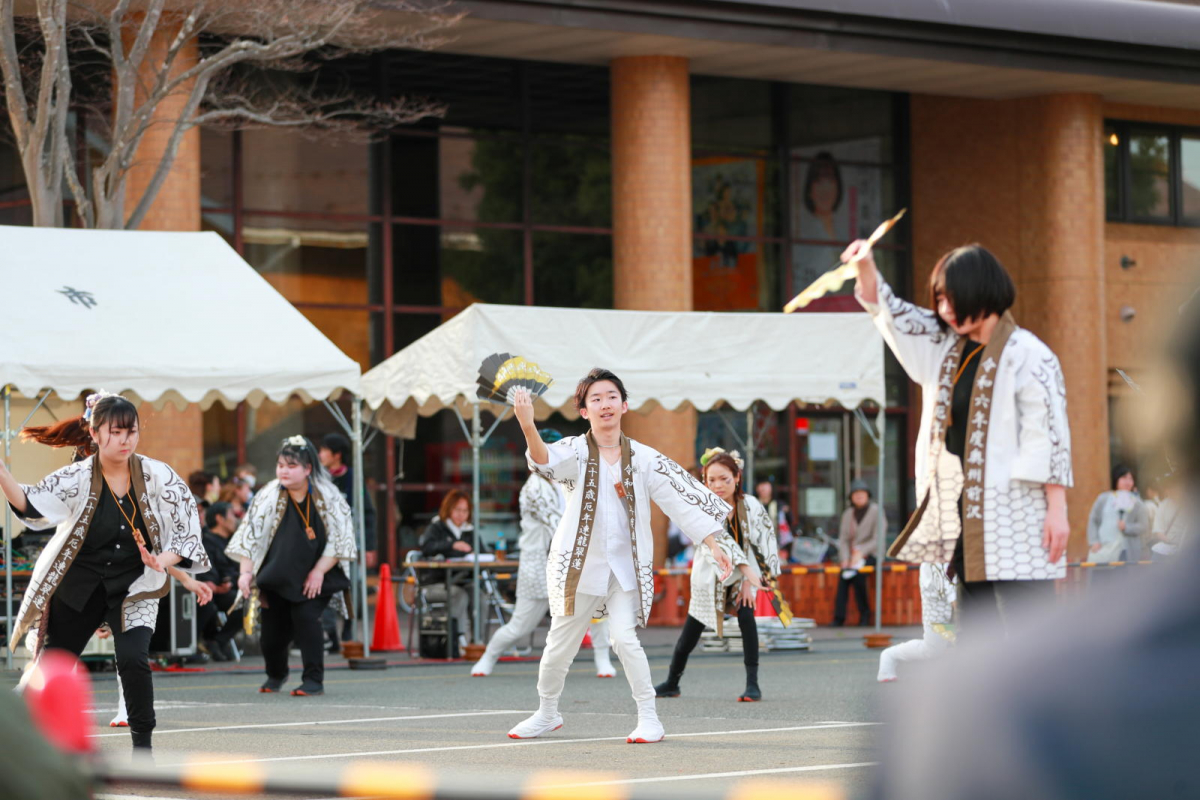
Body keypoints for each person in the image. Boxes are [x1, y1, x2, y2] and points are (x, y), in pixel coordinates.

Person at [850, 240, 1072, 635]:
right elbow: (892, 313)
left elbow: (1048, 434)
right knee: (975, 638)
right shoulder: (943, 345)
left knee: (1030, 636)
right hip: (963, 518)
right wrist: (865, 265)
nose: (944, 310)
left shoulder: (1030, 355)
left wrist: (1057, 509)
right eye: (939, 300)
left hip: (1018, 515)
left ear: (982, 292)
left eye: (952, 299)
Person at [506, 369, 735, 744]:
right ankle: (547, 713)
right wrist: (528, 425)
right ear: (584, 411)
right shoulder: (575, 452)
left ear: (624, 405)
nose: (605, 404)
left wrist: (713, 543)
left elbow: (679, 500)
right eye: (595, 399)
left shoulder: (644, 458)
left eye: (611, 396)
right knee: (558, 646)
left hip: (625, 568)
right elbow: (543, 459)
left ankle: (649, 717)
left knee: (624, 639)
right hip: (579, 565)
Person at [0, 392, 209, 753]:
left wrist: (165, 560)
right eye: (116, 432)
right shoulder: (77, 476)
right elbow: (31, 504)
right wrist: (3, 474)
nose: (125, 439)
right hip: (79, 585)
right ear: (94, 434)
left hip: (136, 584)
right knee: (52, 666)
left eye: (132, 431)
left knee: (133, 658)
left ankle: (142, 751)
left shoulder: (160, 476)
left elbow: (186, 528)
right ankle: (32, 750)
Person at [471, 428, 615, 679]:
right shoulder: (534, 488)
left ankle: (602, 659)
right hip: (538, 563)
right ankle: (489, 656)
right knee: (521, 624)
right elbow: (558, 523)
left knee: (596, 605)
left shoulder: (566, 482)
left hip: (571, 559)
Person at [228, 435, 357, 696]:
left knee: (307, 618)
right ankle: (276, 674)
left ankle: (313, 680)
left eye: (291, 466)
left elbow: (342, 539)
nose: (283, 471)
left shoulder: (329, 496)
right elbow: (249, 536)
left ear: (308, 468)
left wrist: (319, 571)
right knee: (272, 634)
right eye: (280, 465)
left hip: (318, 573)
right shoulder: (267, 495)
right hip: (277, 574)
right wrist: (245, 573)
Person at [654, 447, 774, 702]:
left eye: (725, 479)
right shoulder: (701, 508)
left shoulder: (751, 505)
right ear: (704, 481)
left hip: (744, 578)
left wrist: (747, 583)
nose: (718, 486)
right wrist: (744, 571)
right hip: (710, 577)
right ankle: (672, 682)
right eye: (711, 480)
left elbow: (761, 543)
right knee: (691, 631)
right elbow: (712, 548)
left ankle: (753, 684)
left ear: (737, 477)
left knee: (747, 620)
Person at [418, 489, 478, 651]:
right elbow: (426, 547)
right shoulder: (437, 526)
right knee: (459, 594)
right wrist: (451, 545)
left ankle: (478, 641)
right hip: (435, 583)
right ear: (449, 509)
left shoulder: (469, 530)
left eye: (465, 511)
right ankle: (455, 640)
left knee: (479, 594)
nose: (461, 515)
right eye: (457, 510)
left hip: (463, 580)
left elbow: (482, 551)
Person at [877, 562, 955, 682]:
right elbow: (947, 588)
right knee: (932, 650)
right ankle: (890, 655)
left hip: (954, 611)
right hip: (938, 613)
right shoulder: (933, 562)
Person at [195, 501, 244, 661]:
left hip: (228, 590)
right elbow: (207, 573)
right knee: (209, 606)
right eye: (231, 514)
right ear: (220, 519)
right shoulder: (207, 541)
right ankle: (207, 643)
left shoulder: (233, 542)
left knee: (247, 604)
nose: (235, 519)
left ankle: (218, 642)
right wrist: (217, 585)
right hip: (208, 590)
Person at [833, 479, 886, 627]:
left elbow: (878, 538)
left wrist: (861, 552)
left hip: (871, 554)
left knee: (859, 577)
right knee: (843, 579)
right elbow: (843, 539)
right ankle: (839, 617)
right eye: (855, 494)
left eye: (862, 493)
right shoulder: (848, 514)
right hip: (851, 557)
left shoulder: (876, 511)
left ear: (868, 495)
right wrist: (844, 558)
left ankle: (865, 615)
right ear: (851, 497)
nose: (859, 496)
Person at [1086, 464, 1149, 564]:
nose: (1128, 482)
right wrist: (1094, 541)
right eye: (1124, 478)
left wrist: (1127, 527)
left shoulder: (1137, 503)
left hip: (1126, 552)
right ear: (1116, 479)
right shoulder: (1104, 498)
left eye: (1130, 478)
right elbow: (1093, 519)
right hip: (1104, 549)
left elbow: (1144, 525)